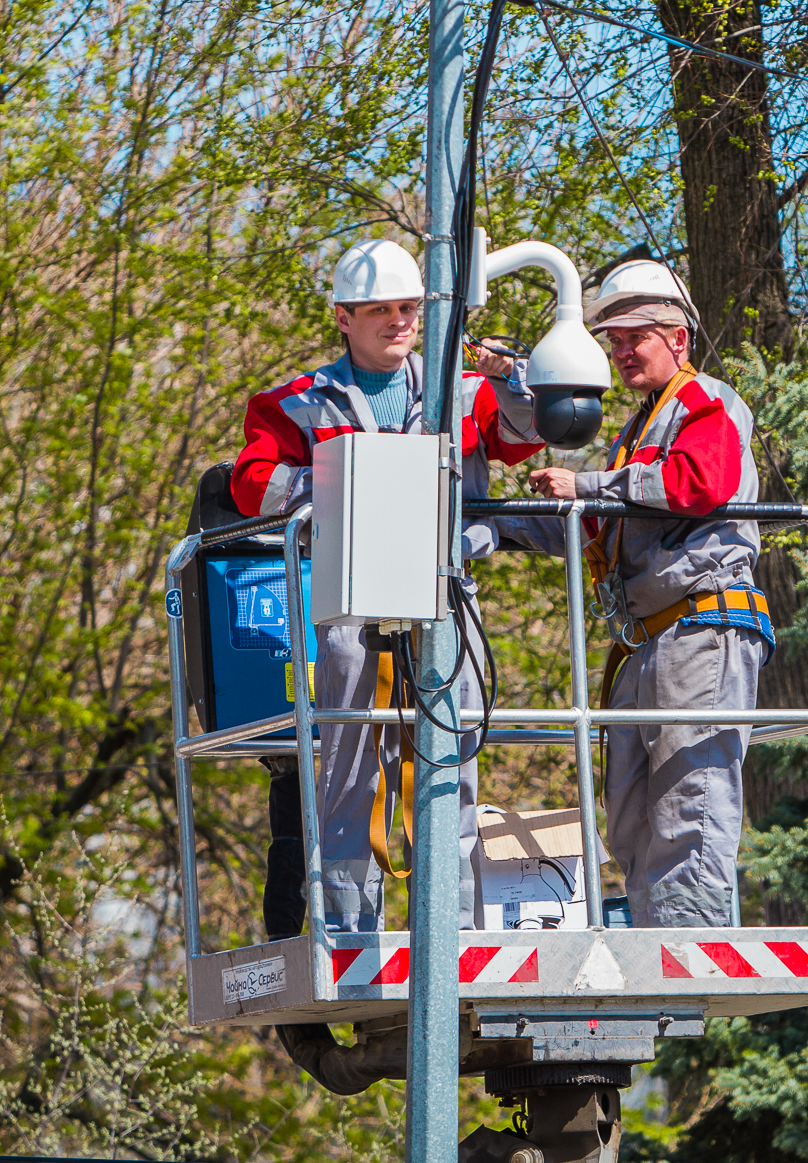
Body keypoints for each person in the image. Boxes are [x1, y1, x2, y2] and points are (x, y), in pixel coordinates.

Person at [232, 237, 539, 938]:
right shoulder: (300, 403)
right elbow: (253, 483)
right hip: (352, 606)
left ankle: (454, 938)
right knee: (351, 780)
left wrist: (514, 373)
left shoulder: (464, 389)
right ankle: (348, 934)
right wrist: (343, 485)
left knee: (448, 775)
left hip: (445, 602)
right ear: (343, 317)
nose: (399, 321)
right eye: (381, 310)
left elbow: (532, 433)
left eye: (409, 308)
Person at [501, 258, 772, 929]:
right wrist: (487, 520)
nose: (620, 353)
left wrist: (587, 485)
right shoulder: (639, 431)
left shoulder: (705, 401)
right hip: (650, 642)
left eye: (634, 338)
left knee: (690, 801)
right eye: (613, 341)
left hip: (701, 632)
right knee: (629, 810)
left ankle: (693, 951)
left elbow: (696, 485)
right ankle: (657, 942)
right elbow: (598, 525)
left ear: (677, 338)